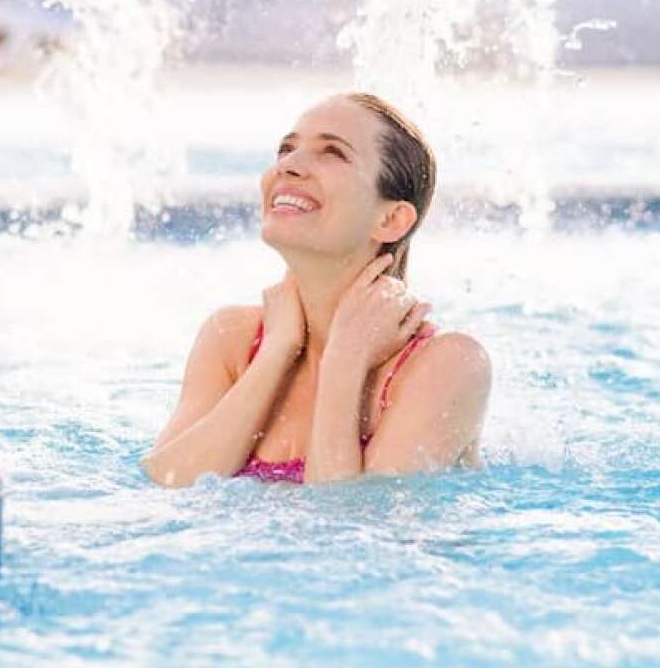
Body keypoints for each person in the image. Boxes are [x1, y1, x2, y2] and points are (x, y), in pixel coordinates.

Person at [145, 94, 490, 486]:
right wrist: (277, 350)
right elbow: (167, 482)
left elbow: (348, 525)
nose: (288, 166)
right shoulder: (234, 339)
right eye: (286, 149)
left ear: (392, 219)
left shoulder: (447, 364)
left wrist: (345, 359)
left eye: (332, 153)